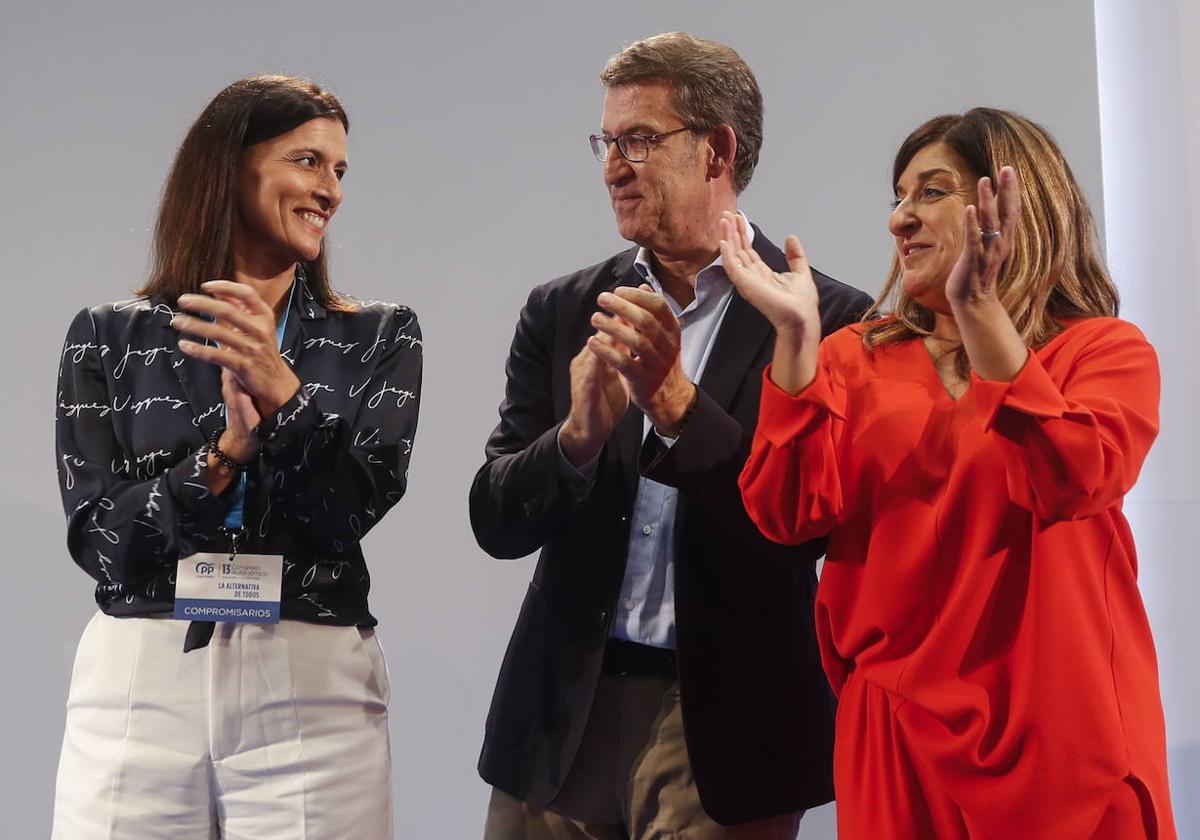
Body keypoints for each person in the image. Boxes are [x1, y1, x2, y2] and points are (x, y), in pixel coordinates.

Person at [729, 108, 1176, 838]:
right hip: (897, 739)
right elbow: (785, 513)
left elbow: (1072, 479)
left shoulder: (1103, 353)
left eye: (930, 191)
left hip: (1063, 737)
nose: (900, 220)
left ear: (1009, 201)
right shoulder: (854, 356)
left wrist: (979, 308)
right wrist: (796, 341)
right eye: (898, 198)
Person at [471, 32, 871, 839]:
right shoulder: (564, 310)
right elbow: (496, 521)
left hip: (726, 733)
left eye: (641, 141)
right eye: (607, 143)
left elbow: (803, 536)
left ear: (717, 149)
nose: (615, 165)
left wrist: (682, 408)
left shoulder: (828, 321)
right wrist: (574, 442)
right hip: (561, 720)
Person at [52, 74, 421, 839]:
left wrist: (284, 392)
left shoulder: (379, 336)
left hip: (311, 680)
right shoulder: (108, 336)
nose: (331, 191)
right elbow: (103, 542)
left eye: (340, 171)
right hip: (141, 676)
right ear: (230, 167)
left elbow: (348, 510)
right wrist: (220, 459)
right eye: (308, 162)